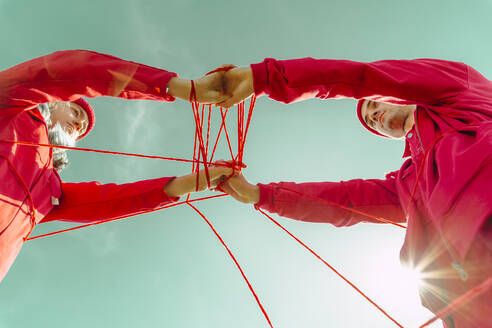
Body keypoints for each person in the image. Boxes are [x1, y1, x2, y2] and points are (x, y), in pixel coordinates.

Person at [216, 57, 492, 328]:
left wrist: (265, 78)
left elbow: (366, 76)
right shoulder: (407, 185)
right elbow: (344, 201)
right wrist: (258, 195)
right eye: (371, 122)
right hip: (469, 304)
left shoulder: (460, 92)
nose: (373, 116)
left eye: (373, 103)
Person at [0, 50, 233, 283]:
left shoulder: (51, 190)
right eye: (76, 111)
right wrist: (178, 87)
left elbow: (110, 201)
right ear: (53, 102)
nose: (80, 124)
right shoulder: (10, 106)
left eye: (82, 129)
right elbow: (65, 72)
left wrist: (193, 183)